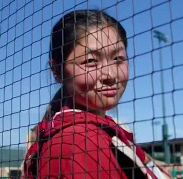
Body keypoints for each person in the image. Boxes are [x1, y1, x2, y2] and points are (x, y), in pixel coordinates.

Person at [22, 9, 172, 179]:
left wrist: (150, 163)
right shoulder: (78, 144)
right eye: (91, 61)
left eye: (118, 58)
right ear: (57, 70)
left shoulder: (101, 130)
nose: (110, 75)